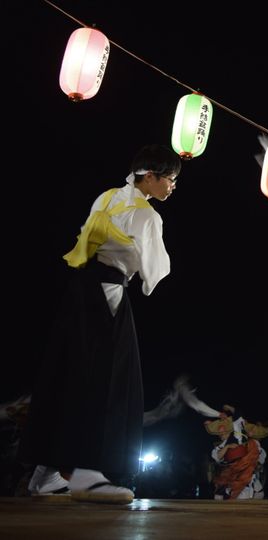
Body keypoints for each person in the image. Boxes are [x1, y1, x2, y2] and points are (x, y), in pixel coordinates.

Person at [19, 144, 180, 504]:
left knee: (69, 371)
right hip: (107, 292)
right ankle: (87, 474)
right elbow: (154, 272)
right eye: (169, 179)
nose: (172, 186)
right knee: (106, 378)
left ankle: (46, 474)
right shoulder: (147, 215)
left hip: (78, 290)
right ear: (149, 176)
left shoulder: (108, 197)